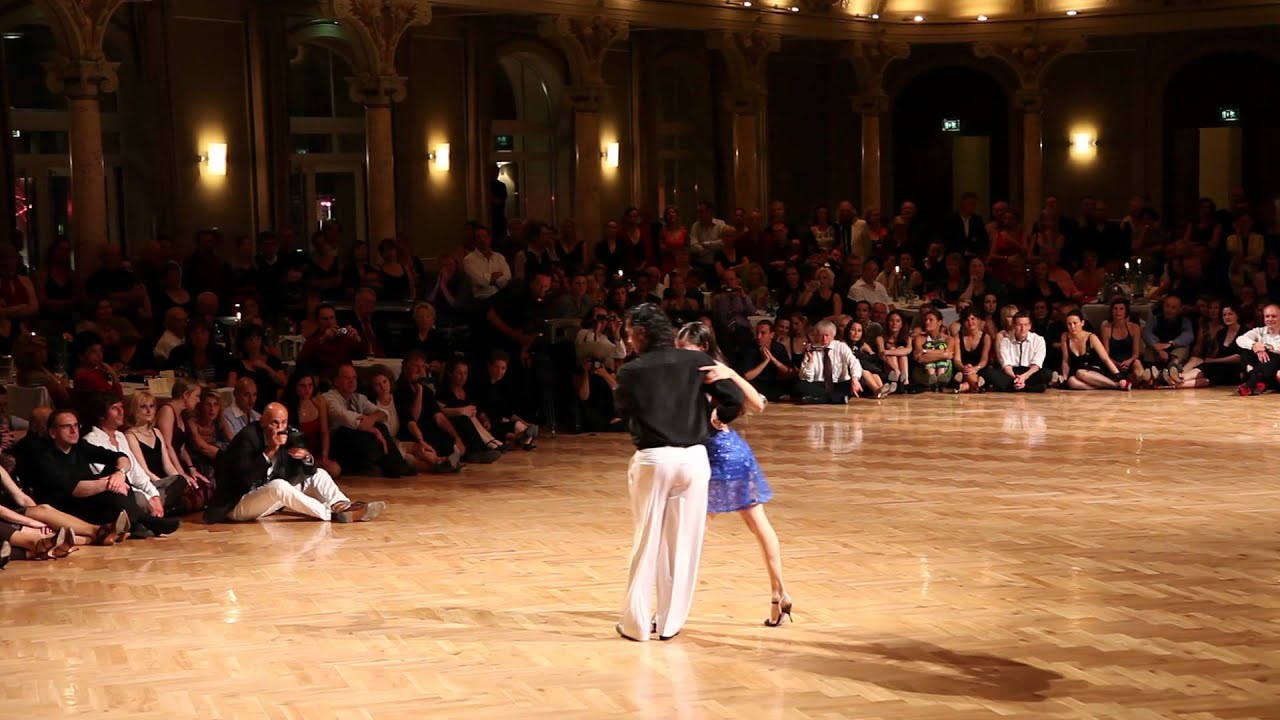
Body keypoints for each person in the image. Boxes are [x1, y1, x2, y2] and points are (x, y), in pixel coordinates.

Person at [612, 304, 745, 642]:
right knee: (683, 544)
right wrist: (713, 421)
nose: (628, 338)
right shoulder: (695, 361)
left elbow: (623, 412)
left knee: (647, 540)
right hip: (694, 460)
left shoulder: (632, 370)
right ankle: (669, 624)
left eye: (629, 332)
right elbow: (733, 399)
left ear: (641, 333)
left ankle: (636, 625)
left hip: (654, 458)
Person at [674, 322, 791, 627]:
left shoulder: (710, 370)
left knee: (695, 533)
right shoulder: (699, 371)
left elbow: (757, 405)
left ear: (701, 348)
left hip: (717, 456)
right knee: (753, 526)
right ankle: (780, 594)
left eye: (686, 349)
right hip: (729, 453)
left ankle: (671, 606)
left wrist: (730, 377)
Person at [204, 403, 384, 524]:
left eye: (283, 422)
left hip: (269, 499)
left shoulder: (287, 434)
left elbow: (307, 470)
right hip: (237, 502)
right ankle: (331, 514)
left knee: (318, 474)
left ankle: (343, 506)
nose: (280, 428)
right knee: (279, 486)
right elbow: (245, 480)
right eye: (274, 423)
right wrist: (272, 450)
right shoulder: (247, 439)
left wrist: (305, 457)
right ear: (262, 421)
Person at [28, 409, 179, 538]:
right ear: (53, 433)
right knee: (116, 490)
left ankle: (137, 523)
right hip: (66, 506)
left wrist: (119, 474)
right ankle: (142, 521)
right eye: (67, 427)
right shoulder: (44, 457)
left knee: (119, 476)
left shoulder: (80, 445)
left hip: (90, 497)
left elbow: (121, 457)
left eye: (75, 425)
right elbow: (74, 489)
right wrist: (109, 484)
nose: (74, 431)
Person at [323, 363, 416, 477]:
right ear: (336, 381)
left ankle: (393, 465)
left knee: (381, 427)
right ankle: (392, 465)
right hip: (337, 442)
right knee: (367, 436)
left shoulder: (358, 397)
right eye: (347, 378)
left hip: (355, 440)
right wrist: (373, 429)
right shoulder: (329, 398)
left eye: (354, 378)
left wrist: (372, 418)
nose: (352, 382)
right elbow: (345, 418)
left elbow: (382, 413)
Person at [794, 320, 862, 404]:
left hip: (838, 383)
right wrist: (810, 361)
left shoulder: (841, 347)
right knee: (800, 385)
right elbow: (805, 377)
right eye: (821, 335)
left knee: (854, 382)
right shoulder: (812, 349)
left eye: (827, 335)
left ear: (833, 336)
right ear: (816, 336)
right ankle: (834, 398)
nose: (824, 339)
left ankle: (819, 399)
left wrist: (855, 379)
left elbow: (854, 362)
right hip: (819, 384)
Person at [983, 311, 1050, 392]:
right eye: (1019, 325)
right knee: (988, 372)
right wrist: (1016, 378)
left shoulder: (1039, 340)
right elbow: (1006, 365)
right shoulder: (1005, 341)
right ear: (1014, 326)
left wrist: (1023, 377)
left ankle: (1014, 387)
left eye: (1025, 325)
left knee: (1047, 373)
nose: (1023, 329)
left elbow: (1036, 365)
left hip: (1029, 373)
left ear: (1030, 326)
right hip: (1011, 373)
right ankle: (1029, 388)